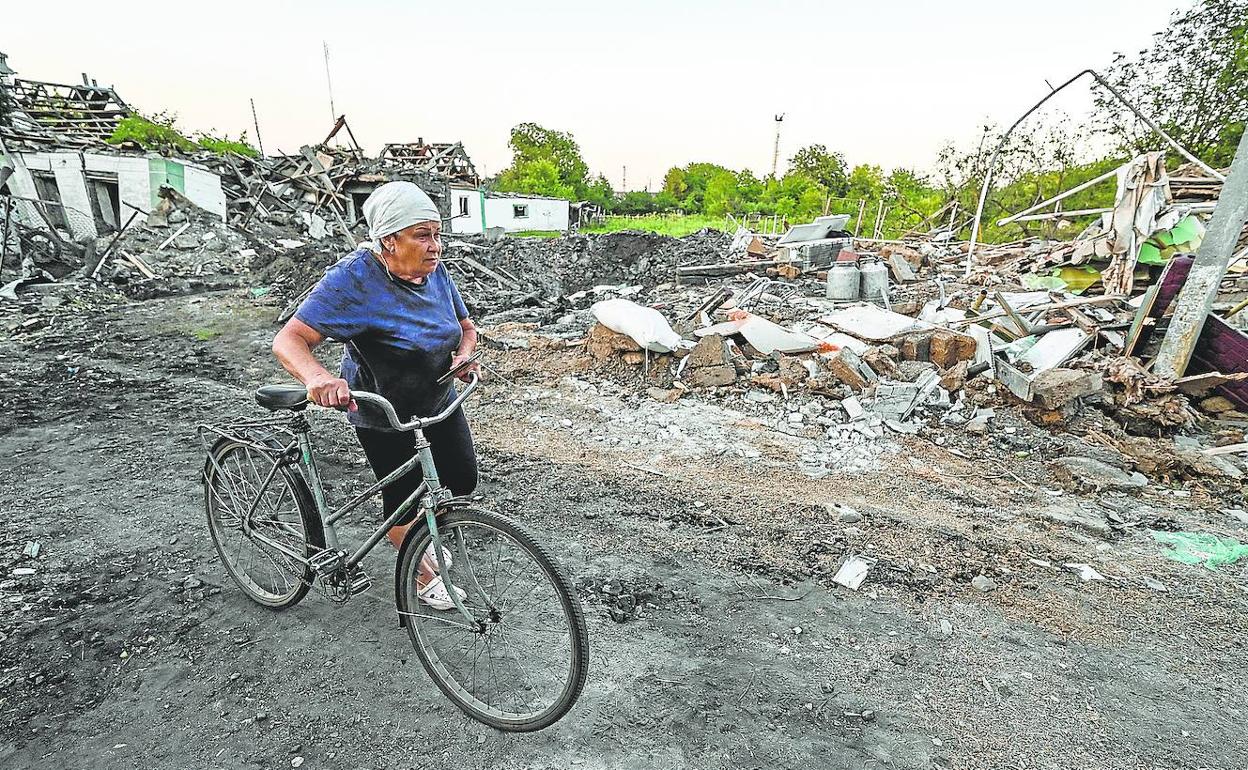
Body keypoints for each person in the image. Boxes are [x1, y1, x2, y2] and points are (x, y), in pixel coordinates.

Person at [271, 181, 479, 610]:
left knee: (460, 479)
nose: (435, 246)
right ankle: (420, 571)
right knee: (401, 501)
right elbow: (289, 340)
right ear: (389, 240)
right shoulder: (354, 280)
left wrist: (463, 356)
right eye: (423, 235)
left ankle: (425, 538)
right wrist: (318, 378)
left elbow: (466, 327)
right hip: (384, 410)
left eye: (437, 234)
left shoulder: (434, 271)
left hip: (436, 399)